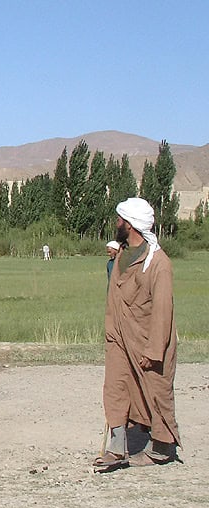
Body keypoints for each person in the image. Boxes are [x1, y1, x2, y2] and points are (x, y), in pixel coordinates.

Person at [94, 197, 180, 471]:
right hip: (118, 337)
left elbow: (163, 310)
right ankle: (116, 449)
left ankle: (163, 446)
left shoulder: (158, 263)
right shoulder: (120, 255)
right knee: (116, 387)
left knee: (156, 391)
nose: (116, 223)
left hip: (146, 340)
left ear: (129, 225)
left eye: (119, 220)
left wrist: (154, 350)